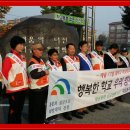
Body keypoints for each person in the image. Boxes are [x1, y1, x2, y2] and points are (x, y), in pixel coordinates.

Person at [2, 36, 28, 124]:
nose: (22, 46)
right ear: (14, 45)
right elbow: (4, 74)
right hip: (14, 90)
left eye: (22, 44)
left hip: (23, 88)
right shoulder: (9, 57)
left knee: (19, 111)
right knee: (13, 111)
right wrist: (5, 89)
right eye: (19, 44)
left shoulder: (23, 56)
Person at [60, 43, 83, 120]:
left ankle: (75, 112)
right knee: (67, 98)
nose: (72, 50)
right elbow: (63, 71)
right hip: (68, 81)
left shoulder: (77, 58)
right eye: (70, 48)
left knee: (75, 98)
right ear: (67, 50)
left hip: (76, 80)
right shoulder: (64, 59)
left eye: (73, 48)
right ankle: (66, 113)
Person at [28, 43, 49, 124]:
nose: (41, 51)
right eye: (39, 49)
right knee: (36, 109)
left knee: (41, 107)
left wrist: (47, 68)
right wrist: (45, 72)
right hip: (36, 90)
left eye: (42, 49)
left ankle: (41, 121)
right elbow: (34, 75)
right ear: (34, 50)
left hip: (43, 88)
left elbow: (44, 70)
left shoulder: (41, 60)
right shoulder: (32, 62)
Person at [90, 40, 109, 110]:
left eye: (100, 46)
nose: (99, 47)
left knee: (99, 90)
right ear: (95, 46)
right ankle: (92, 105)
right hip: (94, 75)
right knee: (94, 90)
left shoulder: (102, 54)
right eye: (98, 46)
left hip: (101, 74)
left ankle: (98, 103)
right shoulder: (91, 53)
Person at [78, 41, 92, 115]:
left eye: (87, 46)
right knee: (81, 92)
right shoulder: (78, 56)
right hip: (82, 76)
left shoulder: (88, 56)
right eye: (84, 46)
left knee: (86, 92)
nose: (86, 48)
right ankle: (80, 109)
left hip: (89, 76)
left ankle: (84, 107)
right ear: (80, 47)